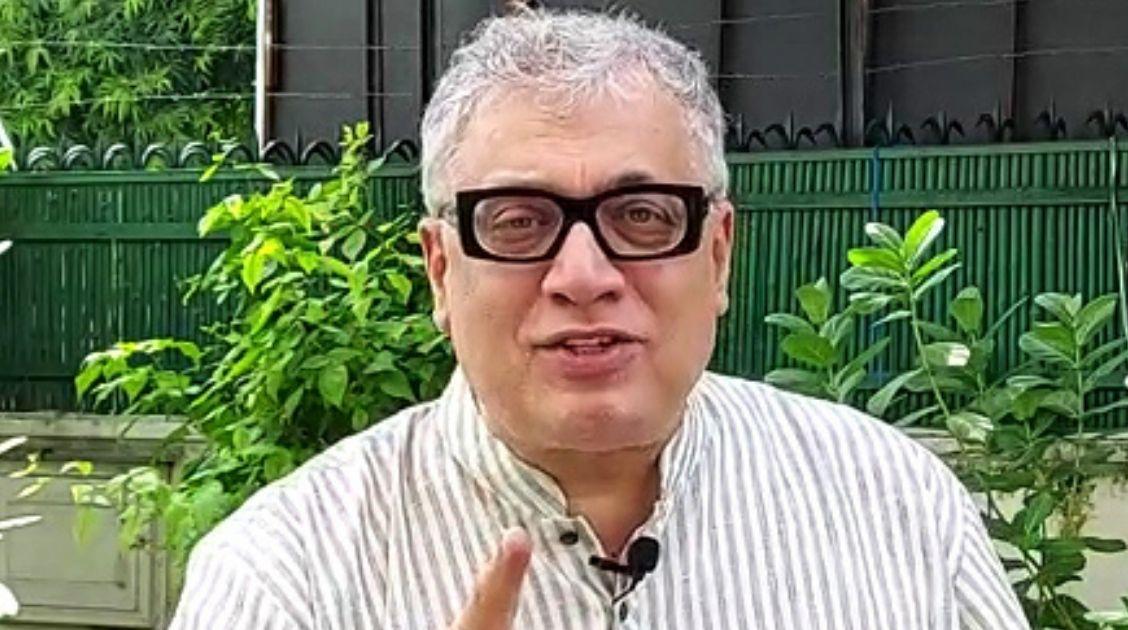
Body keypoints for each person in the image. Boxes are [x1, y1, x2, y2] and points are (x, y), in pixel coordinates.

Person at [169, 8, 1028, 629]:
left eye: (642, 216)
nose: (583, 276)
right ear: (440, 269)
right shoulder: (283, 580)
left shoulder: (896, 507)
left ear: (719, 253)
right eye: (517, 221)